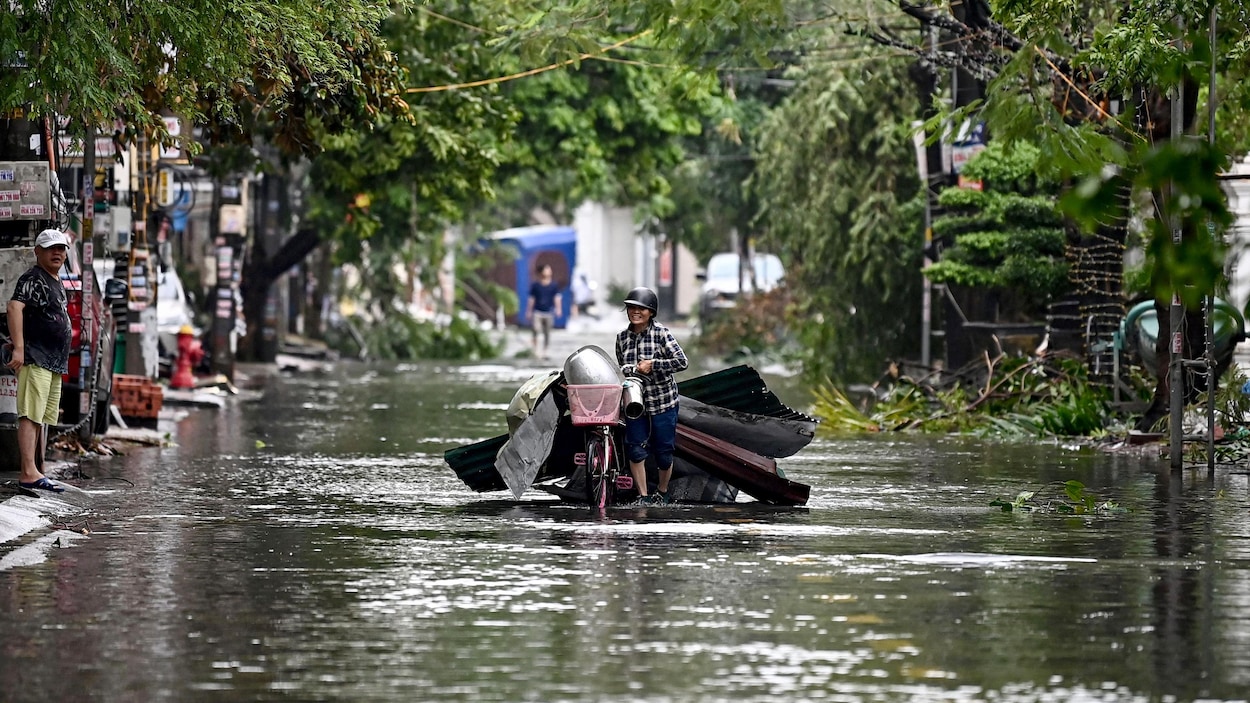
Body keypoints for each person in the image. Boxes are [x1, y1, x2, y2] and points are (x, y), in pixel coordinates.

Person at [6, 229, 73, 494]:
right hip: (37, 357)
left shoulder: (53, 279)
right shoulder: (33, 278)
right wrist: (20, 348)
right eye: (50, 248)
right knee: (30, 415)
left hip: (52, 362)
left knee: (40, 418)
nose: (57, 253)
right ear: (37, 252)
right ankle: (28, 472)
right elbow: (14, 307)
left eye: (61, 248)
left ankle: (35, 470)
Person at [615, 286, 688, 505]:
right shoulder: (621, 339)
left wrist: (653, 365)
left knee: (664, 451)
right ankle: (643, 496)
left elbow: (682, 362)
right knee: (635, 448)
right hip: (634, 404)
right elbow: (620, 366)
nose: (635, 312)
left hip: (663, 401)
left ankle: (663, 492)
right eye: (631, 308)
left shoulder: (662, 334)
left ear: (651, 312)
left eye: (641, 309)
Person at [525, 264, 562, 360]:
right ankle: (536, 350)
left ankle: (545, 351)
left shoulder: (554, 285)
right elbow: (531, 299)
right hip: (537, 312)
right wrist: (529, 311)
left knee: (547, 333)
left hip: (549, 312)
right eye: (547, 270)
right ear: (541, 272)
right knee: (536, 330)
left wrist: (558, 309)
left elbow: (557, 298)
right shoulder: (536, 285)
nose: (549, 272)